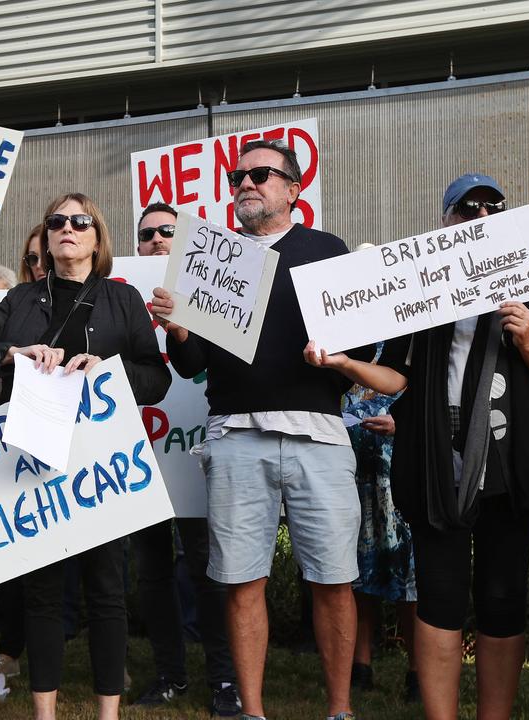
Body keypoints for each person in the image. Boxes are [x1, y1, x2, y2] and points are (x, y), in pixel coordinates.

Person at [306, 174, 529, 720]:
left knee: (502, 597)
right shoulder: (421, 289)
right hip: (433, 463)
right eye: (465, 207)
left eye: (491, 207)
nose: (479, 215)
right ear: (445, 221)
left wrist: (526, 336)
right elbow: (398, 377)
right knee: (439, 597)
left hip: (509, 463)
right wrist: (344, 363)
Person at [151, 140, 372, 720]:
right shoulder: (213, 260)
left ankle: (340, 709)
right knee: (241, 579)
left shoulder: (329, 251)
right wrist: (176, 329)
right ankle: (252, 711)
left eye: (261, 175)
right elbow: (193, 363)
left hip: (319, 433)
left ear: (294, 189)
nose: (246, 183)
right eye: (237, 176)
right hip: (236, 435)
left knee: (333, 578)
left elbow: (360, 343)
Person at [0, 192, 170, 720]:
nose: (67, 228)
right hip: (34, 463)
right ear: (46, 239)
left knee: (106, 591)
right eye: (56, 222)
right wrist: (12, 353)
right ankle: (44, 713)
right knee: (43, 594)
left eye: (79, 221)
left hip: (100, 467)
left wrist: (109, 370)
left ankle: (107, 713)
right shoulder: (21, 301)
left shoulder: (123, 301)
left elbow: (157, 379)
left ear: (98, 238)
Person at [128, 202, 240, 715]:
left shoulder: (219, 293)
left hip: (196, 455)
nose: (156, 240)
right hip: (142, 459)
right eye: (147, 233)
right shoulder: (125, 298)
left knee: (205, 566)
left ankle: (223, 679)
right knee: (151, 572)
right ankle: (170, 674)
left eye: (167, 231)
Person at [341, 335, 418, 700]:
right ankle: (360, 663)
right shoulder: (345, 332)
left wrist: (401, 422)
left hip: (398, 471)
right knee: (355, 568)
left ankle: (418, 669)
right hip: (349, 470)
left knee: (409, 571)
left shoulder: (417, 331)